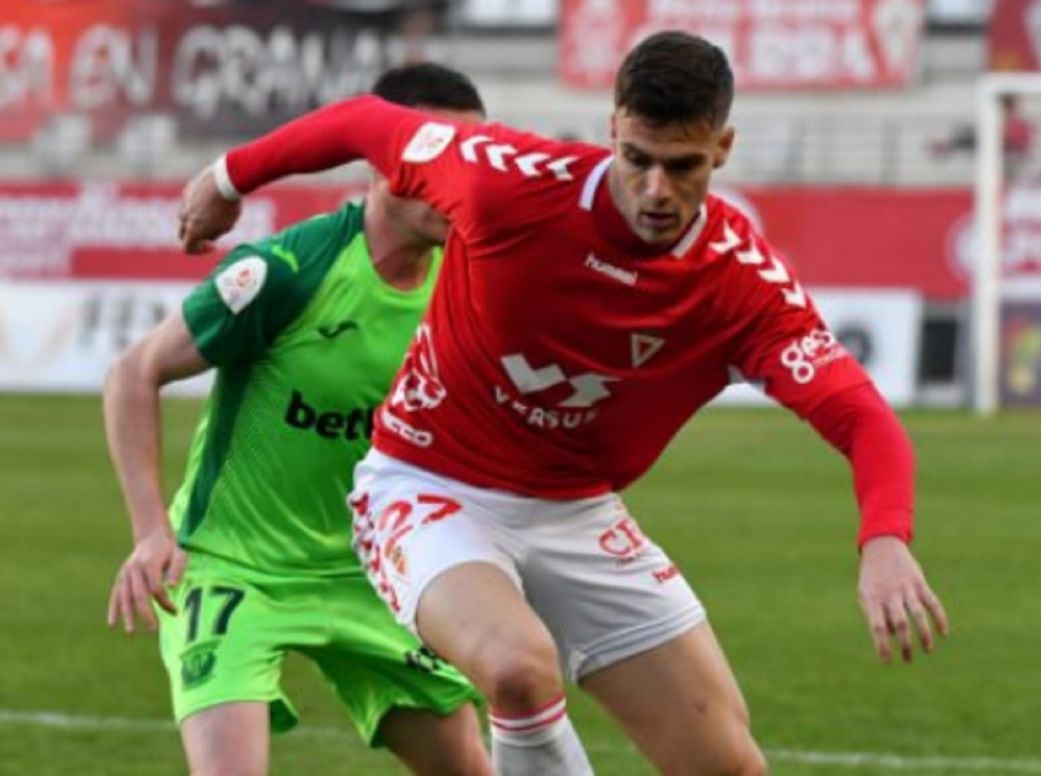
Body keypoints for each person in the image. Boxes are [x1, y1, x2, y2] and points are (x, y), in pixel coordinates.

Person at [178, 31, 951, 775]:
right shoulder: (506, 181)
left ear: (723, 148)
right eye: (637, 158)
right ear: (612, 127)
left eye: (683, 166)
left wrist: (885, 538)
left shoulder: (740, 285)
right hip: (426, 486)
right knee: (517, 668)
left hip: (578, 512)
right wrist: (224, 180)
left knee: (724, 764)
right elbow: (364, 123)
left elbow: (861, 416)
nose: (655, 190)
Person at [105, 63, 492, 776]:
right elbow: (135, 372)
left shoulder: (474, 277)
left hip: (373, 575)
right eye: (438, 158)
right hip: (234, 569)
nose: (457, 180)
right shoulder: (288, 271)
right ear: (382, 161)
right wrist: (150, 530)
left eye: (468, 160)